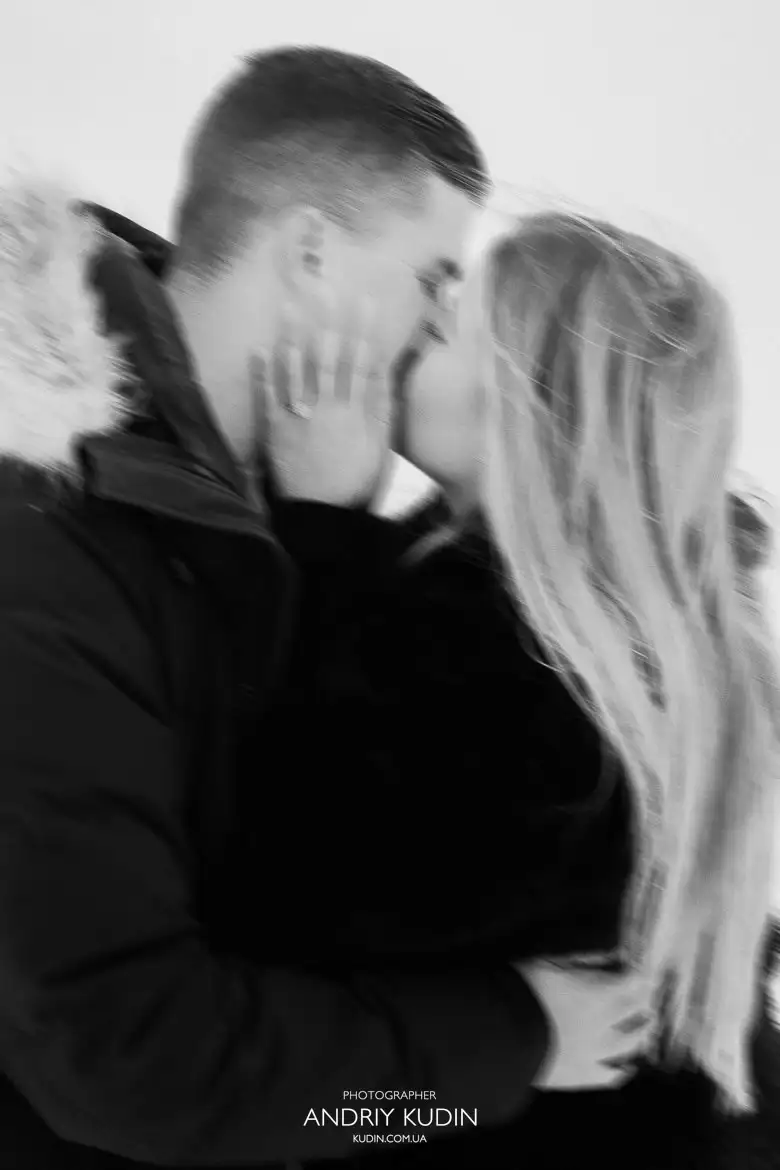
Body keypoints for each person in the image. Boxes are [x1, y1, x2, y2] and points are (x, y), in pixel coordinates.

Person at [0, 47, 648, 1170]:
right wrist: (506, 1051)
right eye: (437, 287)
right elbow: (137, 1073)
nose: (447, 335)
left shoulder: (255, 513)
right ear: (310, 256)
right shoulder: (41, 550)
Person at [236, 213, 780, 1168]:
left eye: (447, 329)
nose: (409, 332)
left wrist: (318, 525)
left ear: (528, 409)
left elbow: (276, 915)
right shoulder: (655, 646)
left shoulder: (488, 655)